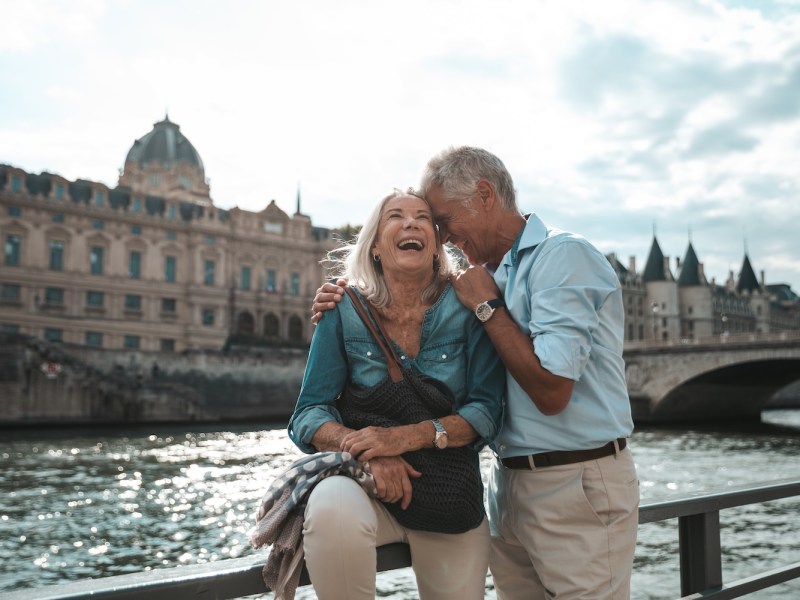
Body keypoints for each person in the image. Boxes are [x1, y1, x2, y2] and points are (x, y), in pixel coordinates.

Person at [313, 148, 639, 600]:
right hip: (508, 484)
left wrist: (487, 308)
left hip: (576, 480)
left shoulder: (562, 257)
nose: (442, 236)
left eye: (442, 219)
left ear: (484, 195)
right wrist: (342, 299)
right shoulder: (485, 274)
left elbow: (551, 392)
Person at [289, 188, 505, 600]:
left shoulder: (468, 306)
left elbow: (487, 412)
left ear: (437, 243)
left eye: (423, 217)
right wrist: (372, 452)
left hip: (450, 496)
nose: (410, 223)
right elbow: (307, 414)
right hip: (370, 488)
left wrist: (402, 439)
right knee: (330, 503)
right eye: (396, 216)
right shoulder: (343, 307)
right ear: (374, 246)